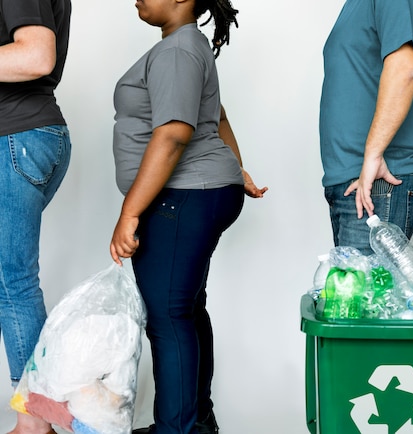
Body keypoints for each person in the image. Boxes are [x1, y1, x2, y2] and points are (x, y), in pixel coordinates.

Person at [108, 0, 265, 432]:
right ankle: (196, 424)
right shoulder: (185, 46)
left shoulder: (178, 49)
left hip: (183, 195)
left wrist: (129, 212)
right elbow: (218, 117)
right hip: (199, 192)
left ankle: (177, 429)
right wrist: (238, 168)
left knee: (169, 315)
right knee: (186, 311)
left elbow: (175, 133)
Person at [0, 1, 72, 433]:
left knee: (14, 282)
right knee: (9, 278)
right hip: (26, 137)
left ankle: (35, 422)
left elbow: (36, 54)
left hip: (16, 139)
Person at [320, 0, 413, 255]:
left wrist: (372, 154)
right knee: (356, 292)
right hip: (355, 179)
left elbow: (405, 67)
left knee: (368, 294)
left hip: (379, 179)